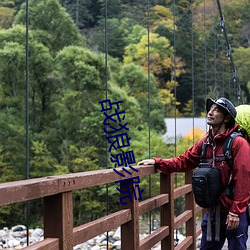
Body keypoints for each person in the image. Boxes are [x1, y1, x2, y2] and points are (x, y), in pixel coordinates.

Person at [138, 97, 250, 250]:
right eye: (210, 109)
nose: (210, 112)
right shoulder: (205, 143)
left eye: (216, 110)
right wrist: (157, 162)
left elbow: (244, 178)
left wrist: (236, 212)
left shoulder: (238, 143)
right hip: (213, 210)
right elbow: (184, 161)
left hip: (233, 210)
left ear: (227, 118)